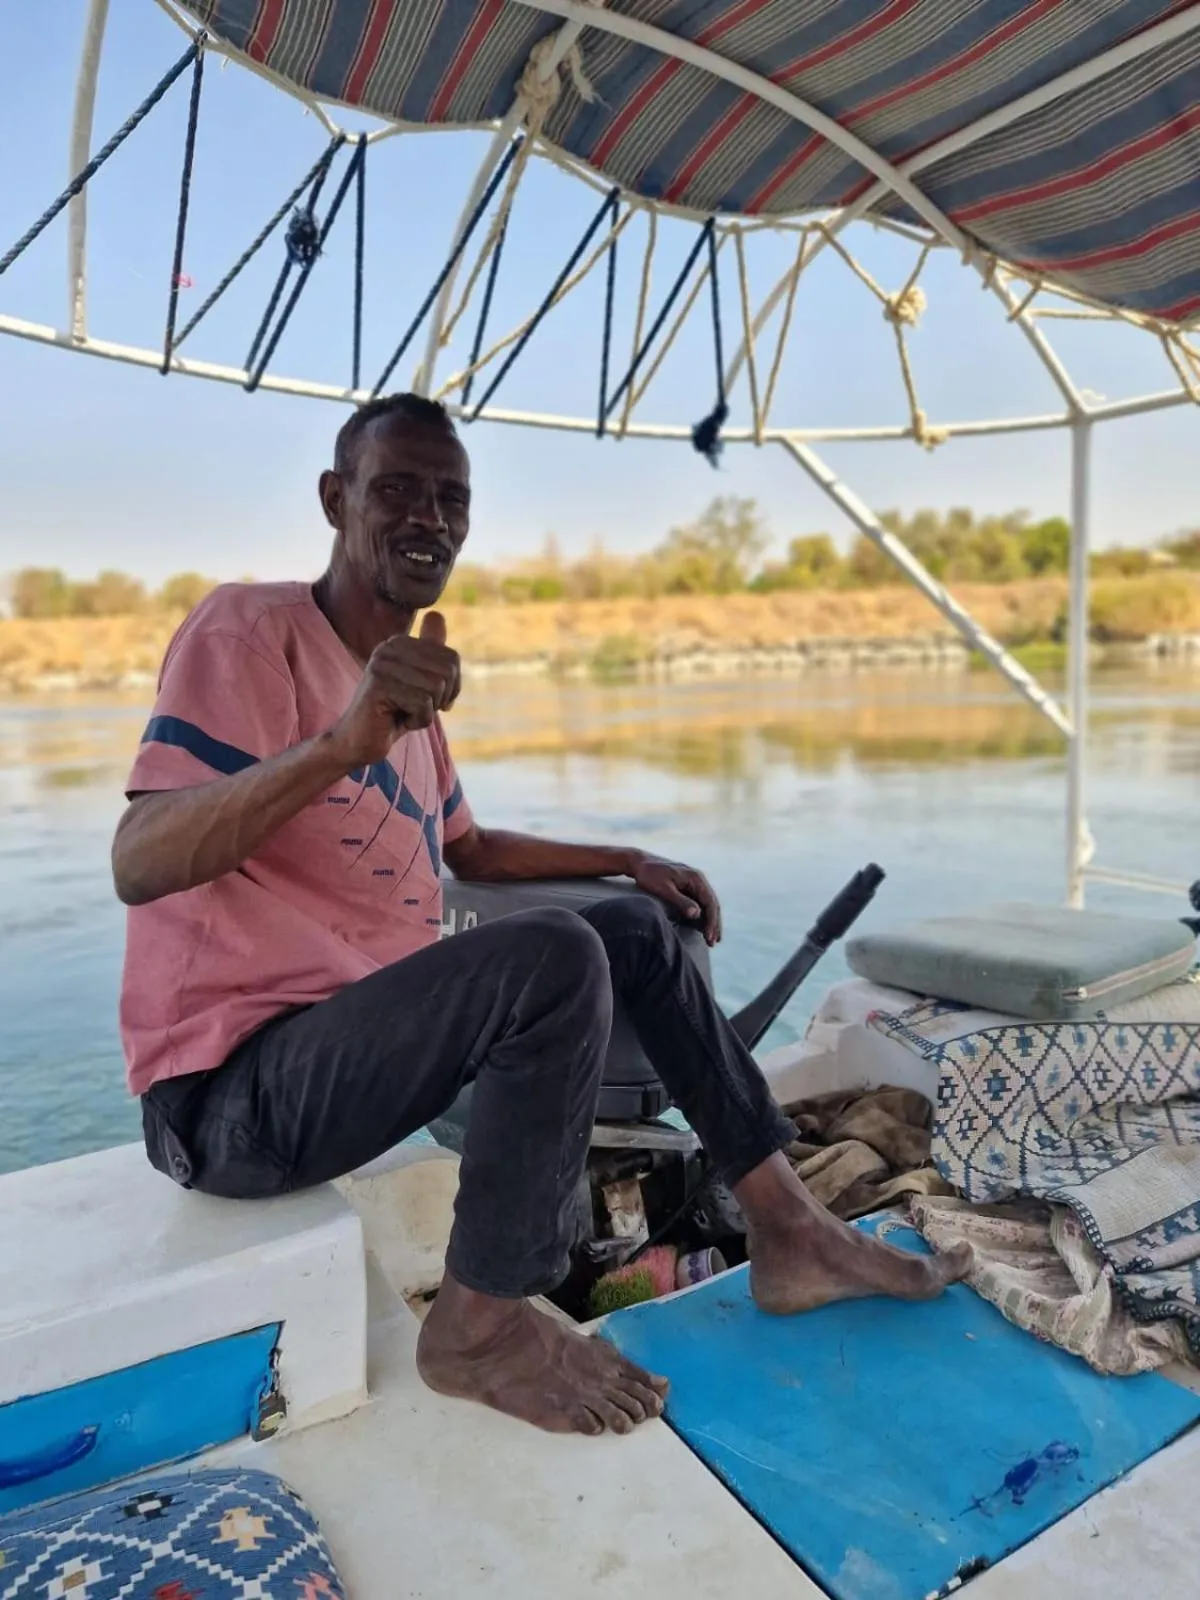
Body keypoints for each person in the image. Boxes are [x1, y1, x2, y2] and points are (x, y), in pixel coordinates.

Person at [113, 393, 969, 1438]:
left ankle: (790, 1229)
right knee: (554, 955)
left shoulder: (410, 704)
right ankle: (480, 1321)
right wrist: (340, 743)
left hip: (350, 1059)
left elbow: (468, 848)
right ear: (336, 499)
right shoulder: (249, 630)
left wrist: (626, 861)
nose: (428, 517)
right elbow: (139, 860)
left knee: (635, 933)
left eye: (451, 499)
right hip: (226, 1098)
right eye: (397, 490)